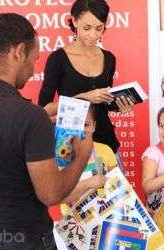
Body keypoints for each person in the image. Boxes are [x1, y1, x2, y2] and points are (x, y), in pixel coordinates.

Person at [0, 13, 95, 249]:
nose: (31, 71)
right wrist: (82, 154)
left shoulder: (30, 118)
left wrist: (35, 128)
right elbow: (51, 194)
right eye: (34, 59)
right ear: (18, 52)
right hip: (27, 239)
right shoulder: (29, 117)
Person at [38, 0, 133, 158]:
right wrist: (83, 98)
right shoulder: (58, 59)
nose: (93, 35)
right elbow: (44, 109)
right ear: (74, 21)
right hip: (69, 143)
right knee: (74, 184)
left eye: (99, 28)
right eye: (87, 28)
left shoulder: (109, 58)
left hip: (105, 140)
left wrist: (118, 105)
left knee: (112, 183)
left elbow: (104, 103)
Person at [45, 103, 116, 215]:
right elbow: (57, 197)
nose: (80, 130)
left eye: (86, 124)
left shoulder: (105, 150)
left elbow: (116, 185)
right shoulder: (61, 155)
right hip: (73, 221)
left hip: (103, 216)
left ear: (94, 126)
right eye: (76, 124)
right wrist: (88, 183)